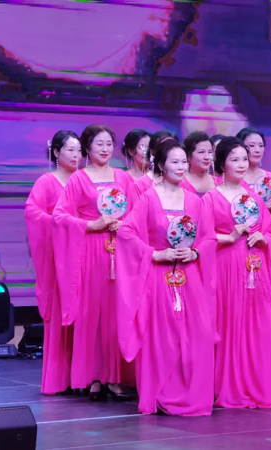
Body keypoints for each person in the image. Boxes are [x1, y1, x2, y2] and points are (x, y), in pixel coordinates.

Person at [116, 138, 216, 416]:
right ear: (160, 165)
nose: (181, 166)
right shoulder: (149, 198)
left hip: (189, 277)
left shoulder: (194, 200)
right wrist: (154, 254)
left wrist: (195, 253)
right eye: (175, 162)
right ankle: (161, 393)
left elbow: (209, 239)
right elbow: (126, 233)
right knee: (163, 336)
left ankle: (192, 395)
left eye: (184, 161)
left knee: (196, 334)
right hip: (159, 279)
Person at [203, 137, 271, 409]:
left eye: (244, 158)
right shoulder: (211, 198)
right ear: (222, 164)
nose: (242, 164)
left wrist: (264, 239)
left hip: (255, 270)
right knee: (230, 324)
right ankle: (230, 386)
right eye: (235, 159)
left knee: (259, 327)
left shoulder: (254, 198)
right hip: (227, 269)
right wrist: (229, 237)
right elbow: (202, 238)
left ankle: (259, 384)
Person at [52, 124, 134, 401]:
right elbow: (60, 217)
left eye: (109, 143)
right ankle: (93, 376)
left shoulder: (123, 177)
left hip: (119, 250)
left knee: (116, 313)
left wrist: (124, 225)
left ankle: (115, 376)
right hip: (91, 252)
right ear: (87, 148)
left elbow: (137, 213)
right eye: (99, 144)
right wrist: (91, 225)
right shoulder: (78, 179)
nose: (105, 149)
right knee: (93, 313)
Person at [25, 130, 80, 395]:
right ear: (56, 152)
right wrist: (62, 223)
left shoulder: (83, 180)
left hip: (82, 256)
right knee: (60, 313)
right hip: (59, 258)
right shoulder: (47, 182)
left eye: (79, 150)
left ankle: (83, 375)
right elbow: (33, 213)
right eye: (70, 149)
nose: (76, 155)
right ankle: (60, 378)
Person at [236, 127, 271, 215]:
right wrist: (262, 208)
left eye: (261, 146)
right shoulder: (233, 178)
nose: (257, 150)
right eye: (252, 146)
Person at [129, 130, 178, 200]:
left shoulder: (182, 181)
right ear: (152, 152)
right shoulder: (140, 185)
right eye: (163, 148)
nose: (169, 153)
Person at [182, 131, 217, 196]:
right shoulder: (180, 184)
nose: (207, 157)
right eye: (201, 152)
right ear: (188, 156)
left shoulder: (220, 183)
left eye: (210, 152)